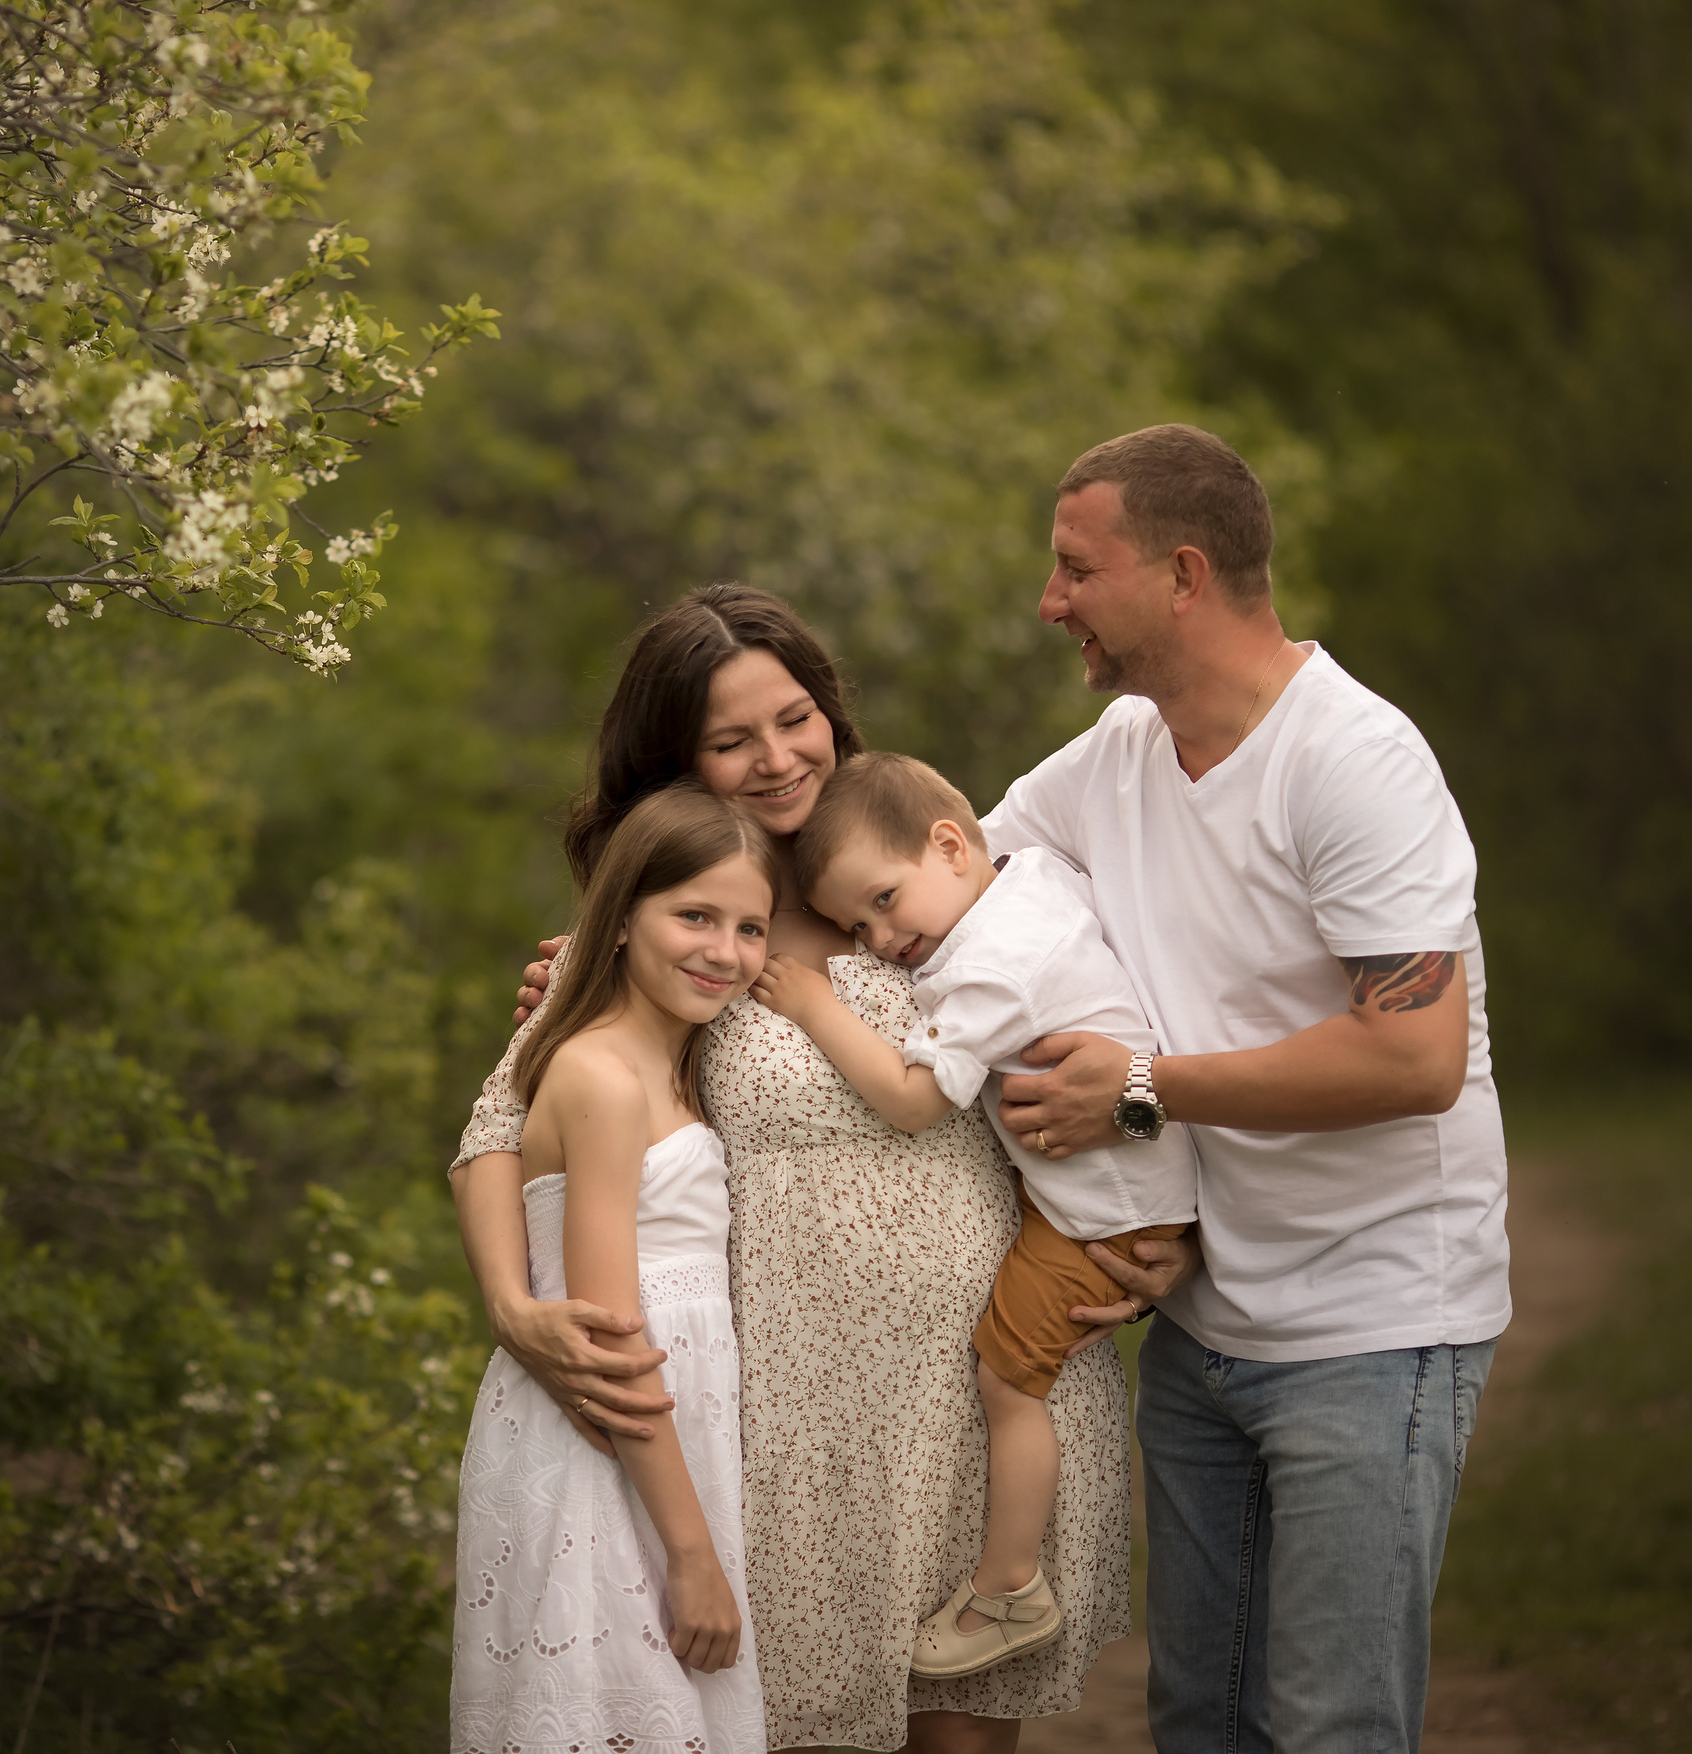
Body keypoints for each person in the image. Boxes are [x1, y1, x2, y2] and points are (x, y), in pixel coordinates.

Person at [454, 585, 1199, 1754]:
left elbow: (1118, 1032)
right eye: (730, 738)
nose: (775, 757)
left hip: (984, 1376)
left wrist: (1150, 1229)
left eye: (793, 717)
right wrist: (513, 1305)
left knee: (963, 1739)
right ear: (678, 758)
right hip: (789, 1417)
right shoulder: (683, 922)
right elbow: (501, 1125)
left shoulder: (922, 869)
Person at [982, 424, 1508, 1753]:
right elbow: (928, 886)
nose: (1050, 601)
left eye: (1076, 568)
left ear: (1183, 574)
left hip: (1373, 1321)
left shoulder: (1354, 760)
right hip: (1200, 1323)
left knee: (1333, 1726)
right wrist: (629, 948)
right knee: (1201, 1719)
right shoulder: (1118, 753)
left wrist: (1139, 1087)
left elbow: (1414, 1055)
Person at [750, 751, 1196, 1682]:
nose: (880, 938)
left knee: (1007, 1382)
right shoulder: (1027, 880)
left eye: (882, 902)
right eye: (855, 925)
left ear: (952, 846)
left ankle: (1009, 1587)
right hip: (1122, 1187)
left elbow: (916, 1101)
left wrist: (815, 1004)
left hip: (1102, 1217)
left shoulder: (994, 968)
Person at [450, 779, 774, 1752]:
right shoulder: (601, 1075)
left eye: (750, 928)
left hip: (666, 1446)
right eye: (694, 916)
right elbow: (610, 1331)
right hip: (608, 1451)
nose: (724, 951)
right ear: (621, 916)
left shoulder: (669, 1065)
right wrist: (692, 1555)